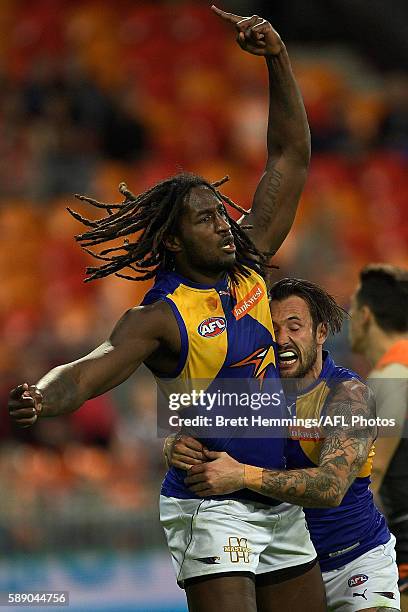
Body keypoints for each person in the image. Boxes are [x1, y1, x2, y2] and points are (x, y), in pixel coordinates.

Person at [7, 7, 326, 612]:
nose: (225, 225)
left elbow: (290, 158)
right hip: (211, 504)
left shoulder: (251, 266)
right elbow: (90, 369)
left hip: (278, 498)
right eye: (205, 219)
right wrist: (44, 395)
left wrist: (278, 60)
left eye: (222, 213)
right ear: (175, 241)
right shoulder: (160, 318)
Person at [167, 278, 400, 612]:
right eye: (273, 329)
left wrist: (242, 475)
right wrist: (176, 447)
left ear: (321, 333)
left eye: (295, 327)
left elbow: (331, 487)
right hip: (284, 567)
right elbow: (199, 435)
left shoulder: (348, 396)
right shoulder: (247, 389)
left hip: (356, 560)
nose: (281, 339)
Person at [349, 264, 408, 611]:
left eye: (353, 309)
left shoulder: (391, 376)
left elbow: (374, 471)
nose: (349, 318)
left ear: (366, 316)